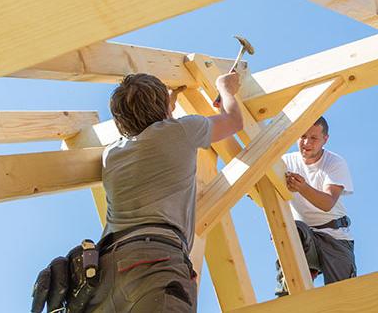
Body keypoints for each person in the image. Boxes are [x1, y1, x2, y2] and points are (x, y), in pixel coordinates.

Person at [88, 71, 244, 312]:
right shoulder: (183, 131)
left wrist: (164, 107)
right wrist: (226, 89)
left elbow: (149, 134)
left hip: (106, 268)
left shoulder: (112, 154)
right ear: (164, 111)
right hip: (155, 260)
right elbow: (234, 121)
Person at [275, 116, 356, 296]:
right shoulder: (286, 162)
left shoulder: (334, 163)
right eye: (302, 136)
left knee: (343, 296)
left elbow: (327, 203)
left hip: (334, 237)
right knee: (290, 228)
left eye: (313, 138)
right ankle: (293, 283)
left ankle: (311, 268)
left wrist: (302, 187)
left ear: (325, 139)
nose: (306, 142)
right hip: (304, 236)